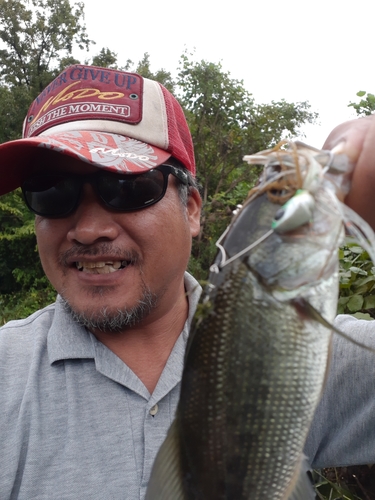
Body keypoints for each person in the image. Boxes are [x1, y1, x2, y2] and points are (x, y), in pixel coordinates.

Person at [0, 63, 374, 499]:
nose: (88, 230)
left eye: (126, 185)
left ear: (192, 209)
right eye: (50, 192)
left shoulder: (320, 350)